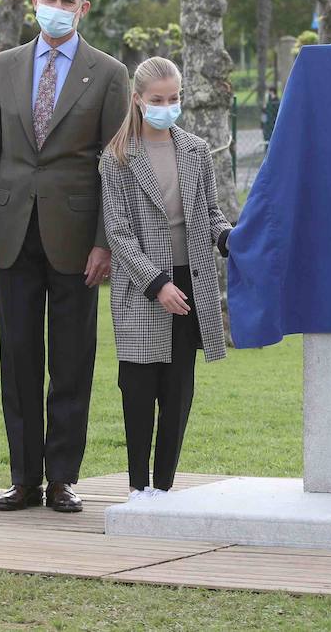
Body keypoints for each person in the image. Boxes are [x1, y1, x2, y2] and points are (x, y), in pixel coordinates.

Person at [0, 0, 129, 514]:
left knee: (71, 359)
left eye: (67, 2)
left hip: (77, 236)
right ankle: (23, 478)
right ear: (33, 0)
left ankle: (62, 477)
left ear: (84, 8)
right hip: (10, 232)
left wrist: (106, 239)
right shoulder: (2, 67)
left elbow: (117, 164)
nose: (56, 9)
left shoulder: (108, 73)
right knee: (17, 360)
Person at [100, 57, 233, 500]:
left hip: (190, 282)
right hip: (143, 288)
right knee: (139, 390)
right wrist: (156, 284)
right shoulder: (117, 157)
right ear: (138, 100)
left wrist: (231, 240)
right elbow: (117, 232)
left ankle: (166, 486)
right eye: (157, 100)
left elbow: (210, 214)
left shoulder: (195, 150)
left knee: (178, 392)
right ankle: (139, 486)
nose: (167, 106)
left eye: (174, 98)